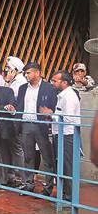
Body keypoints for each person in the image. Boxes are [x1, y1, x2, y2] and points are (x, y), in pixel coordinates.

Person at [15, 63, 57, 194]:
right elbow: (19, 105)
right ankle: (28, 184)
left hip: (42, 125)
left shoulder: (49, 88)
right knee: (28, 156)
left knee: (47, 157)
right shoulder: (22, 88)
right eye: (25, 73)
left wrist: (49, 115)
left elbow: (54, 106)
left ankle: (48, 187)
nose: (26, 75)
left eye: (28, 73)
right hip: (26, 124)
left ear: (37, 73)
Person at [45, 71, 80, 201]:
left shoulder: (69, 96)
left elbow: (69, 118)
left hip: (67, 135)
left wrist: (51, 114)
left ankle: (69, 196)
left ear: (64, 82)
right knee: (62, 165)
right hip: (60, 134)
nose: (52, 83)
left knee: (67, 166)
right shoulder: (63, 95)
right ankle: (65, 194)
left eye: (55, 81)